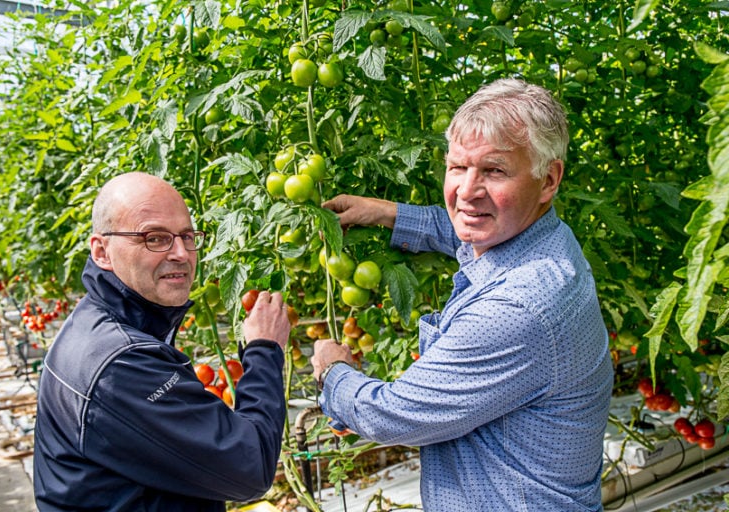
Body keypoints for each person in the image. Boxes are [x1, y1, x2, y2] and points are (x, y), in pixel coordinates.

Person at [312, 78, 613, 511]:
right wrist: (387, 213)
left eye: (494, 171)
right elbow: (470, 228)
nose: (467, 191)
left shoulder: (518, 308)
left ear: (549, 180)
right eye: (457, 168)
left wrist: (332, 374)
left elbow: (394, 414)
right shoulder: (546, 242)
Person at [33, 172, 291, 511]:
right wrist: (264, 350)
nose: (182, 254)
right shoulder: (120, 364)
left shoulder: (100, 325)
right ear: (102, 251)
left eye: (187, 236)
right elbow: (250, 469)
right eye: (155, 238)